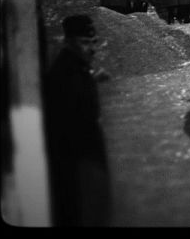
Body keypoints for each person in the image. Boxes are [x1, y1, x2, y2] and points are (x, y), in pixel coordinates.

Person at [41, 15, 111, 226]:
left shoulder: (76, 67)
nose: (91, 49)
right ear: (68, 42)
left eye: (93, 43)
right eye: (84, 43)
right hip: (77, 164)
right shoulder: (66, 75)